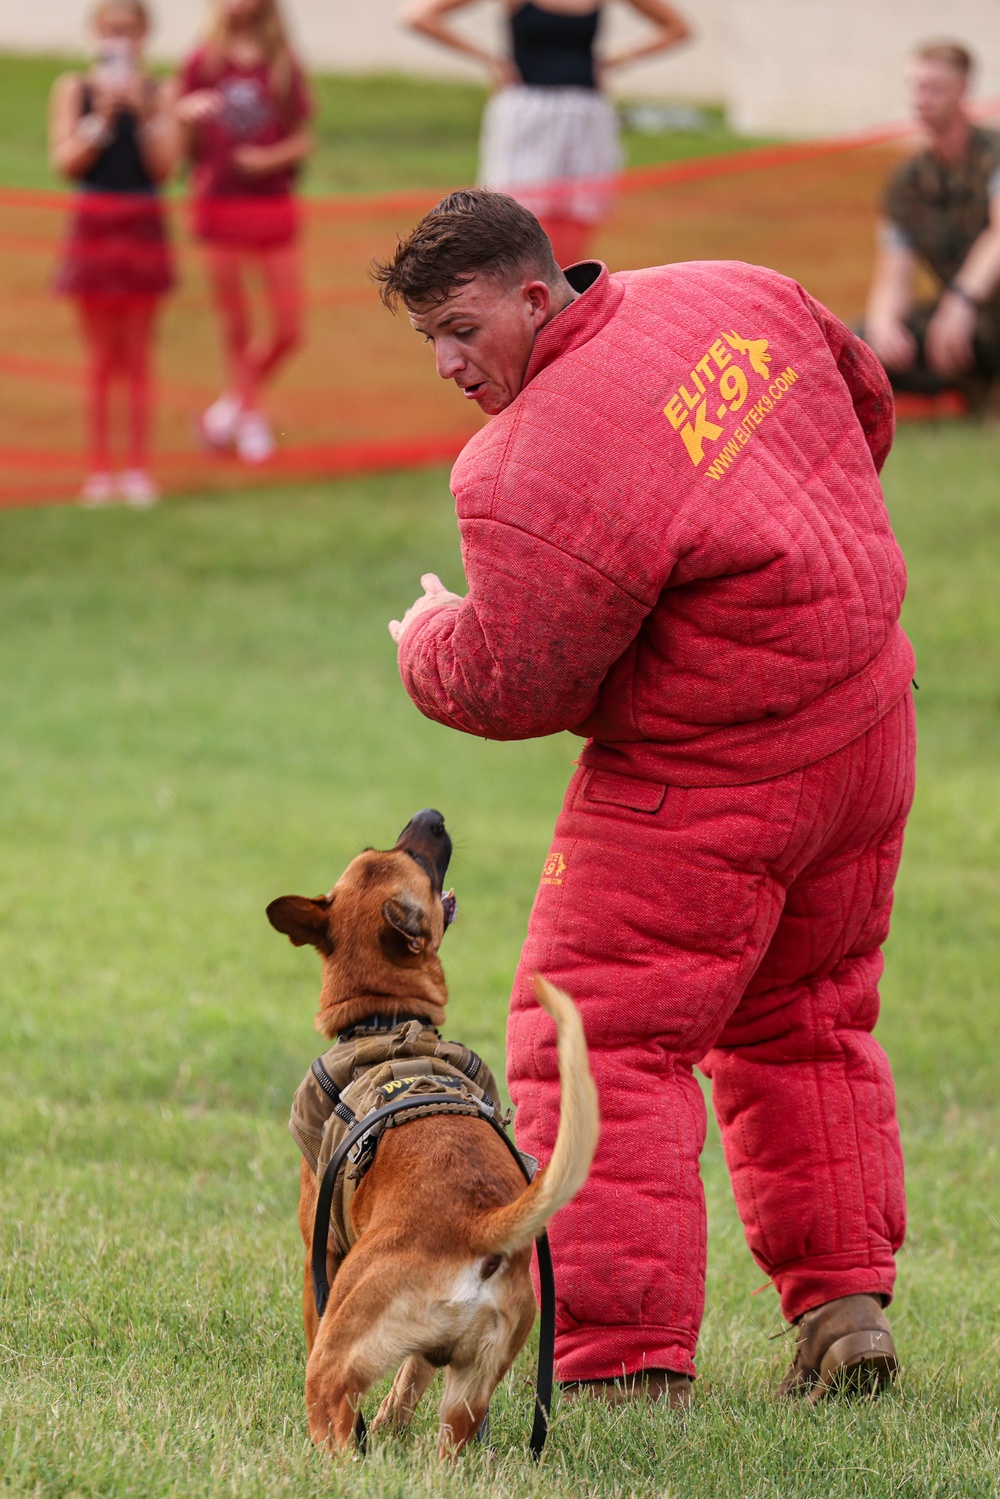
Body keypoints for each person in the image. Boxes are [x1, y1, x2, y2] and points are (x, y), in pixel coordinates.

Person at [376, 189, 916, 1406]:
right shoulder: (736, 291)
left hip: (708, 779)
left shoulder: (523, 464)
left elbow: (517, 679)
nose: (451, 364)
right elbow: (865, 403)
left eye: (463, 329)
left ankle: (622, 1365)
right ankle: (845, 1312)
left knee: (596, 1038)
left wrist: (424, 635)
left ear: (532, 292)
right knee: (809, 1017)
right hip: (871, 720)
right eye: (429, 343)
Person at [401, 0, 690, 268]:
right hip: (527, 110)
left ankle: (566, 299)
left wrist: (618, 59)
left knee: (580, 210)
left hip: (586, 113)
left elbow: (678, 29)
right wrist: (491, 61)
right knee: (516, 213)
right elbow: (421, 17)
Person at [173, 0, 312, 464]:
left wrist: (268, 160)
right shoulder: (201, 61)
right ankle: (250, 416)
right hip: (218, 202)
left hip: (271, 202)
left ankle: (227, 411)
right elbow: (182, 149)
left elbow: (302, 137)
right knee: (235, 323)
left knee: (288, 328)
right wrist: (184, 114)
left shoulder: (282, 63)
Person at [50, 0, 177, 506]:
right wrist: (99, 118)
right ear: (96, 34)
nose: (120, 39)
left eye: (129, 30)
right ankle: (101, 469)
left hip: (142, 223)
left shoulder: (158, 91)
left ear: (144, 34)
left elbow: (165, 167)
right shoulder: (74, 89)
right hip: (94, 225)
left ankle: (138, 469)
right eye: (110, 30)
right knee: (101, 356)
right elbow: (65, 162)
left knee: (138, 354)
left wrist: (144, 115)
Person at [864, 40, 1000, 407]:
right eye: (915, 86)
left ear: (962, 90)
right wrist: (883, 325)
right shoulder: (908, 181)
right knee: (854, 348)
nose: (921, 98)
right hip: (963, 326)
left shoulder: (993, 156)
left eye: (934, 88)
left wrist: (960, 302)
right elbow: (894, 269)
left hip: (973, 310)